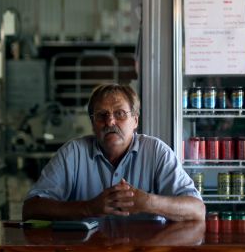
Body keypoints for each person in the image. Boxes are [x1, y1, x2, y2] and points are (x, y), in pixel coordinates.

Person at [23, 83, 205, 221]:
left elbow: (197, 210)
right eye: (102, 115)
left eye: (120, 114)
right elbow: (31, 208)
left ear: (135, 120)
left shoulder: (156, 151)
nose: (110, 122)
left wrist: (148, 202)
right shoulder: (73, 153)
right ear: (93, 123)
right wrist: (89, 208)